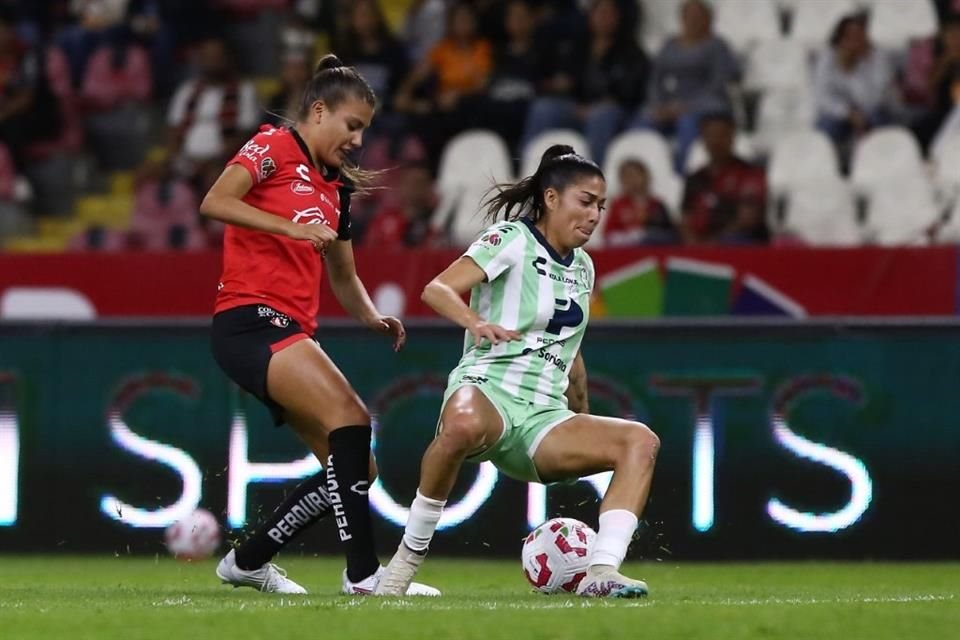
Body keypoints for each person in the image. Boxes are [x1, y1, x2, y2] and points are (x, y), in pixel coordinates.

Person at [373, 145, 660, 598]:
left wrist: (580, 410)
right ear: (551, 198)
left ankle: (602, 572)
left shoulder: (584, 266)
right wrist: (475, 323)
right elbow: (437, 289)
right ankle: (404, 564)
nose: (595, 215)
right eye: (585, 201)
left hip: (544, 417)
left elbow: (570, 346)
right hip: (488, 388)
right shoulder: (511, 239)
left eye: (600, 206)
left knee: (640, 440)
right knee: (462, 425)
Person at [199, 53, 438, 597]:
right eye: (352, 126)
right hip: (249, 319)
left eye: (365, 131)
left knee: (356, 465)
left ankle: (249, 560)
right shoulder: (272, 146)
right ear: (319, 110)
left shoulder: (336, 188)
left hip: (290, 328)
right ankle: (364, 577)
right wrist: (289, 227)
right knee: (352, 420)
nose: (357, 140)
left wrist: (372, 317)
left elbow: (344, 275)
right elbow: (215, 201)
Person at [630, 0, 738, 170]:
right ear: (681, 19)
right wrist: (659, 105)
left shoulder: (718, 46)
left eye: (699, 16)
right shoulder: (669, 45)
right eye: (689, 16)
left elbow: (718, 83)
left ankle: (682, 171)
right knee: (641, 121)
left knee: (686, 123)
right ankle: (641, 170)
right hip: (671, 104)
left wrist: (687, 107)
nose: (694, 20)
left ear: (709, 19)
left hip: (706, 103)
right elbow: (655, 79)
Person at [680, 113, 768, 245]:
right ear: (703, 139)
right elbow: (685, 217)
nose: (716, 141)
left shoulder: (750, 173)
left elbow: (748, 219)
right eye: (711, 135)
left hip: (737, 244)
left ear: (732, 137)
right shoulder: (694, 178)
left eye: (722, 135)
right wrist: (692, 241)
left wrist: (713, 242)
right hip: (699, 245)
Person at [812, 13, 895, 149]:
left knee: (878, 122)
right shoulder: (827, 56)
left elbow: (875, 100)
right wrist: (847, 113)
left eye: (859, 35)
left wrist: (852, 72)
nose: (855, 41)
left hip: (872, 112)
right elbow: (823, 97)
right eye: (850, 36)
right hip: (841, 113)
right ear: (840, 38)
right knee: (825, 127)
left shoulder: (878, 57)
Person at [604, 158, 677, 246]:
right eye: (626, 176)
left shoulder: (657, 204)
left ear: (645, 176)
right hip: (627, 251)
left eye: (634, 175)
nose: (631, 180)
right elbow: (609, 235)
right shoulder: (618, 204)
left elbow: (671, 234)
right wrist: (631, 237)